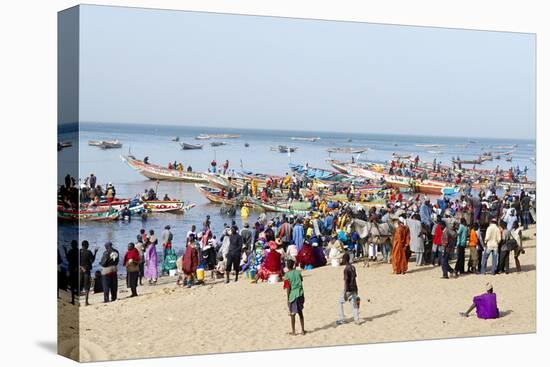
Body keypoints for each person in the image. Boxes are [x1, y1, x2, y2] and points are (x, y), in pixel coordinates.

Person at [337, 253, 360, 325]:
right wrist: (356, 289)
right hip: (354, 288)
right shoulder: (353, 267)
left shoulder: (346, 269)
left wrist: (345, 292)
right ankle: (357, 320)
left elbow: (346, 281)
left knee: (340, 302)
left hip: (348, 289)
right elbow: (354, 279)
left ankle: (342, 319)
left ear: (344, 260)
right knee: (354, 304)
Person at [283, 259, 305, 335]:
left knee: (292, 314)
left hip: (293, 295)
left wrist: (288, 298)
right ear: (293, 265)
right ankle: (302, 330)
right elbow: (301, 280)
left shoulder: (287, 275)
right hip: (301, 293)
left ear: (287, 266)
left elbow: (288, 288)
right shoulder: (298, 272)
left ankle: (293, 331)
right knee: (300, 312)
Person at [80, 240, 98, 306]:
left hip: (80, 271)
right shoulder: (89, 252)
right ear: (87, 245)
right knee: (87, 286)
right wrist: (95, 253)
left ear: (82, 245)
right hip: (86, 271)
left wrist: (81, 267)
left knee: (79, 286)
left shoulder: (79, 252)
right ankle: (86, 302)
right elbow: (92, 261)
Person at [64, 240, 79, 305]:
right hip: (76, 270)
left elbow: (67, 259)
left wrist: (65, 251)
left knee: (72, 285)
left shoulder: (70, 251)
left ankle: (73, 300)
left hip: (71, 269)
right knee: (76, 285)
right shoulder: (78, 251)